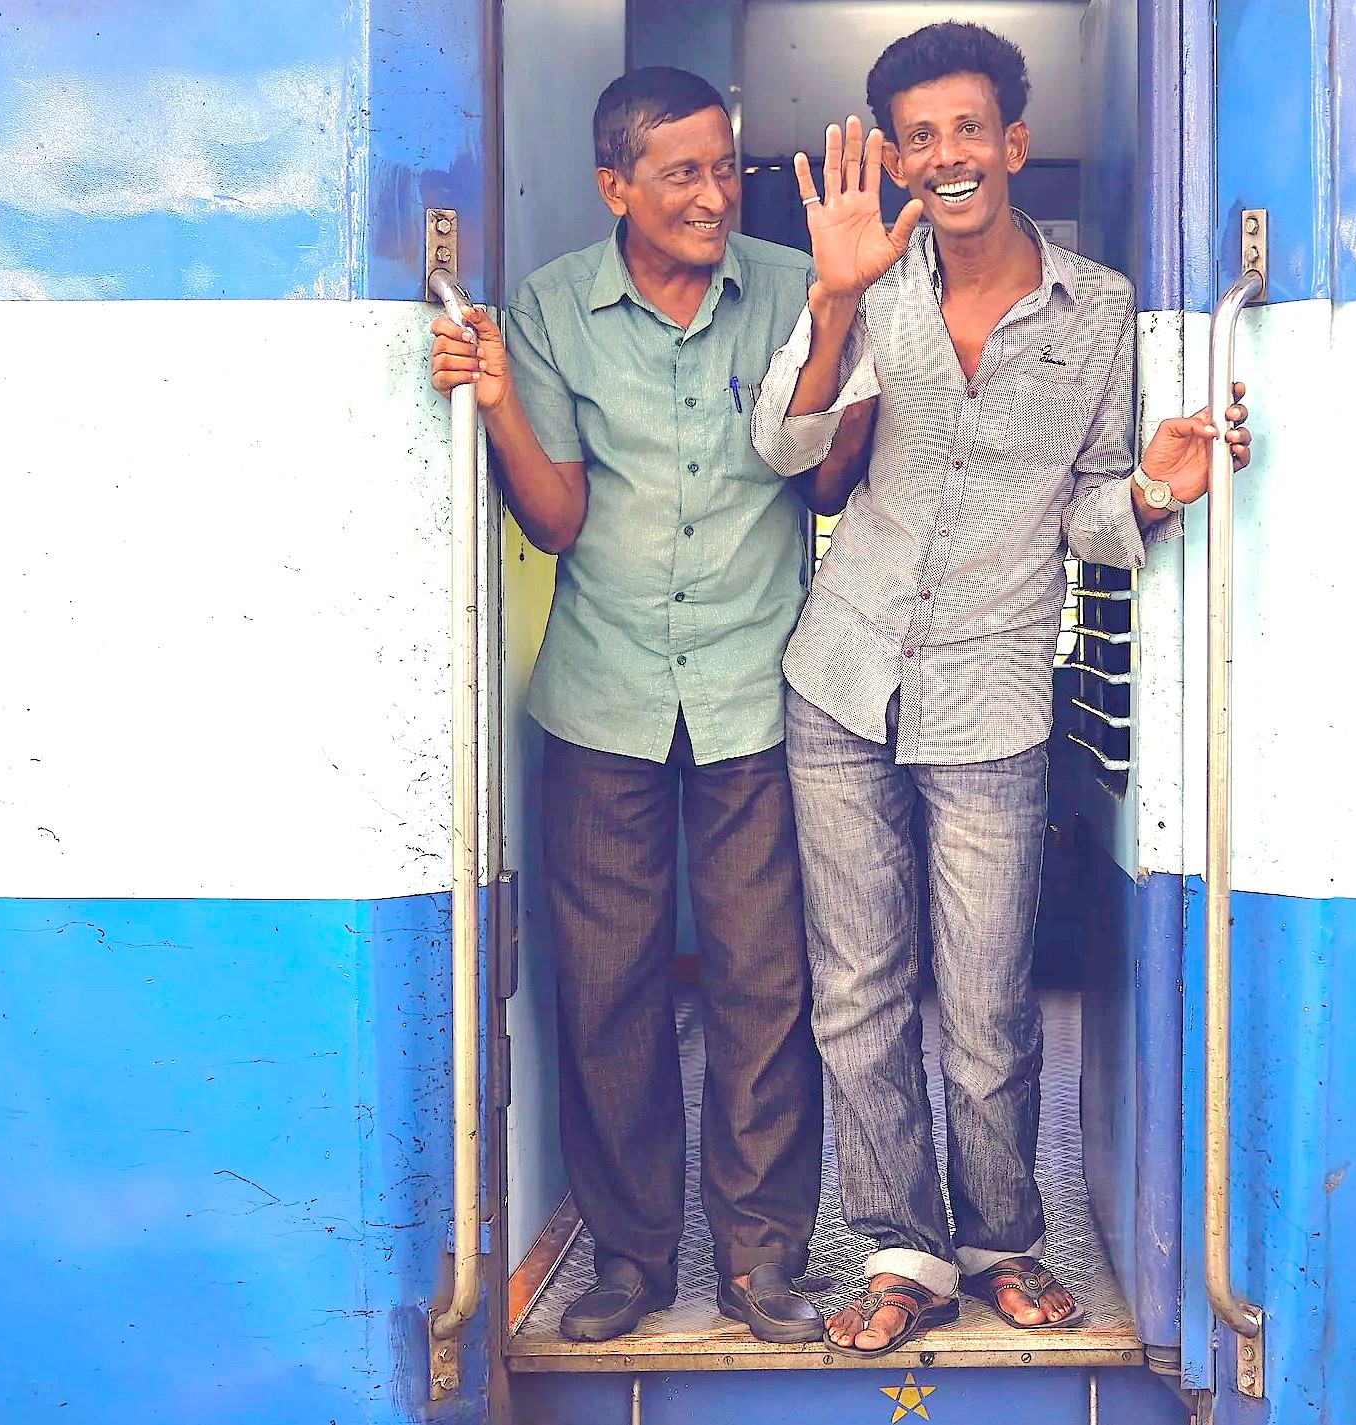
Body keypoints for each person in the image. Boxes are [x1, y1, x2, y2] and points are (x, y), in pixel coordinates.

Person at [749, 22, 1252, 1355]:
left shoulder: (1094, 314)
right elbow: (785, 443)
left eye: (966, 129)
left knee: (985, 1002)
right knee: (856, 992)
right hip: (842, 681)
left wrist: (1151, 487)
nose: (943, 155)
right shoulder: (867, 280)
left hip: (994, 691)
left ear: (1012, 144)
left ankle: (1002, 1240)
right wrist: (836, 295)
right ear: (899, 161)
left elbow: (1084, 511)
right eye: (918, 136)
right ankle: (902, 1251)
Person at [428, 66, 829, 1344]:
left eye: (726, 169)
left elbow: (827, 485)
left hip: (757, 690)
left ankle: (765, 1261)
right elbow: (557, 517)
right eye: (683, 175)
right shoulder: (551, 309)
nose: (715, 196)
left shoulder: (792, 288)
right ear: (616, 187)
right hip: (600, 696)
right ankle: (632, 1259)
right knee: (607, 991)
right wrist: (494, 403)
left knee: (764, 985)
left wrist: (842, 309)